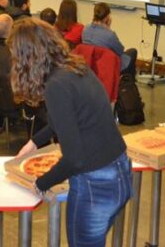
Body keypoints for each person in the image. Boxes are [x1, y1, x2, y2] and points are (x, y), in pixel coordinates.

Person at [11, 19, 132, 246]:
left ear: (26, 58)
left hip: (95, 185)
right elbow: (68, 119)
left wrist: (41, 183)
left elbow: (74, 159)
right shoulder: (76, 67)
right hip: (120, 171)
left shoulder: (56, 85)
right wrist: (35, 142)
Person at [82, 2, 137, 80]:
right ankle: (128, 84)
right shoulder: (109, 34)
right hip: (108, 65)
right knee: (133, 51)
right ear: (107, 17)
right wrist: (108, 29)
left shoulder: (85, 29)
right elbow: (120, 50)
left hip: (91, 64)